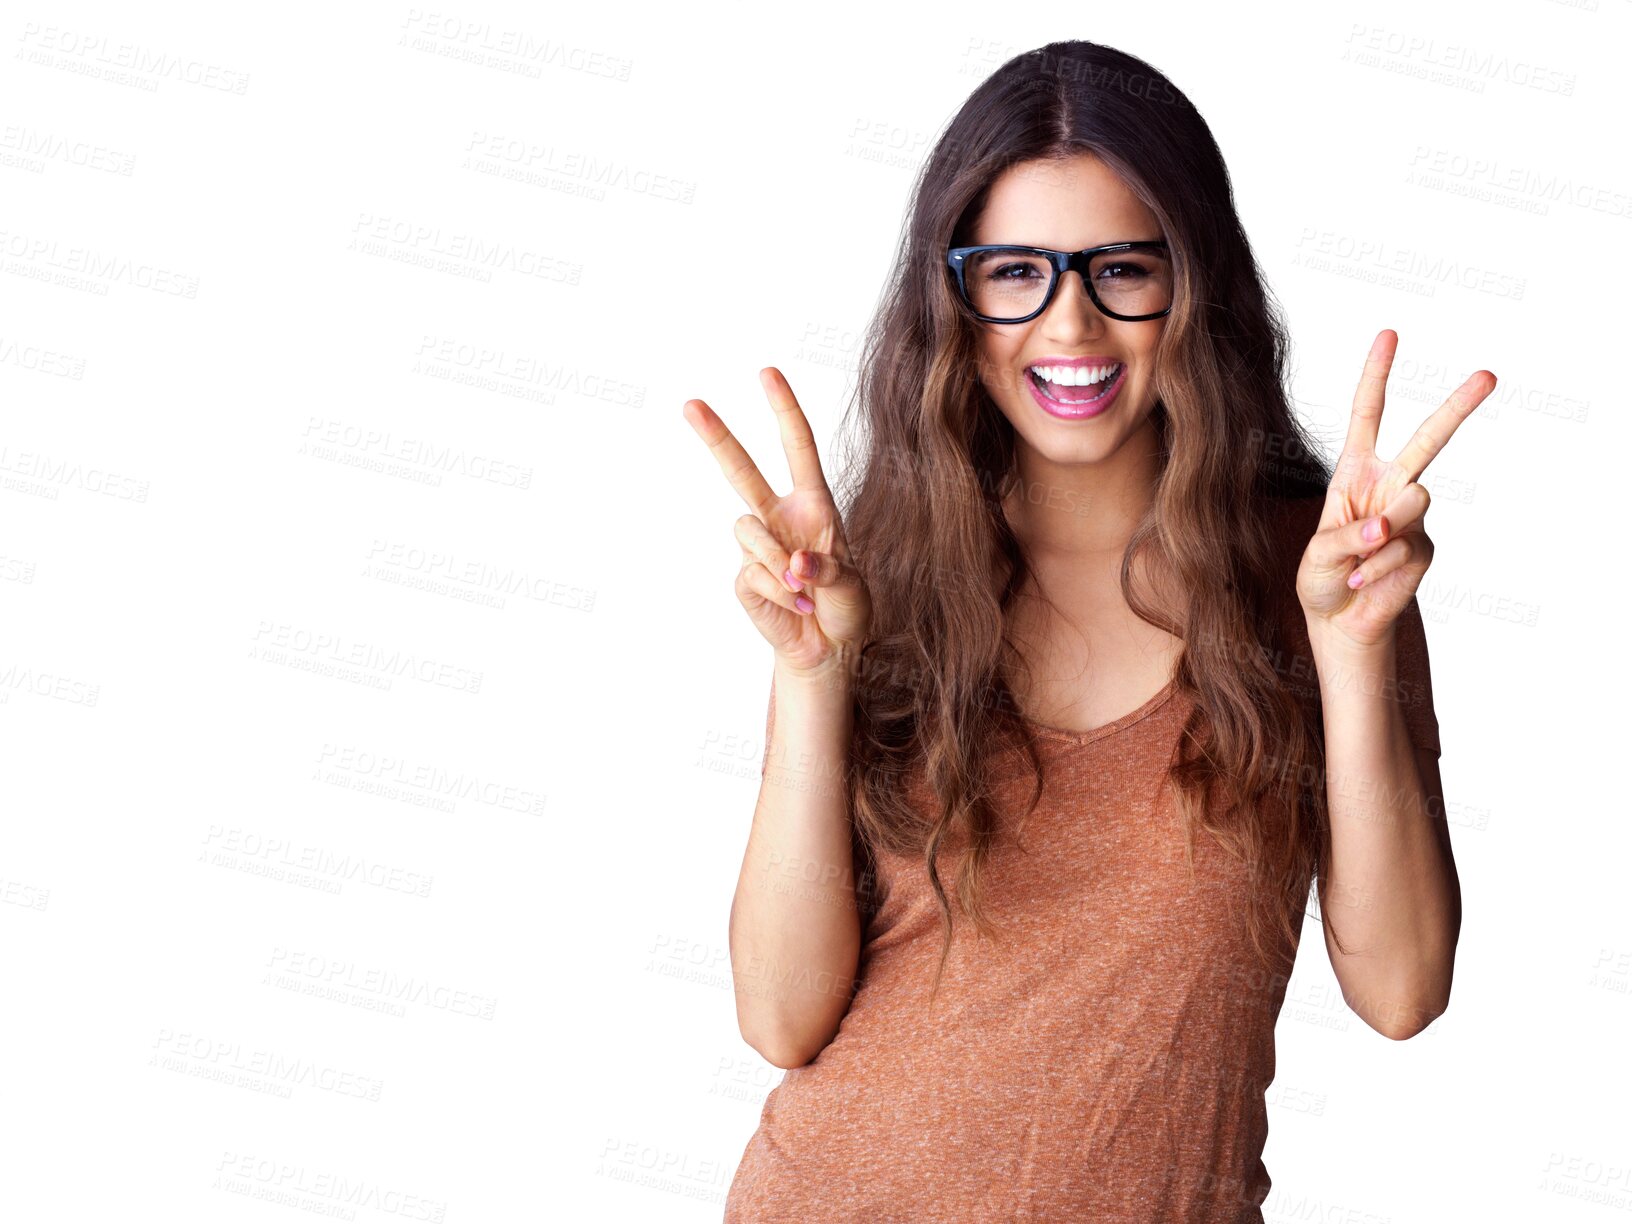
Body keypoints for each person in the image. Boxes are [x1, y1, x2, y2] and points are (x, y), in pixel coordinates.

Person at [683, 38, 1489, 1222]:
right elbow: (779, 1018)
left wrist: (1354, 654)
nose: (1069, 325)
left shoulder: (1322, 577)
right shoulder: (876, 575)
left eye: (1121, 269)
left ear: (1192, 284)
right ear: (952, 299)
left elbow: (1404, 987)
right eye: (1014, 273)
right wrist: (814, 677)